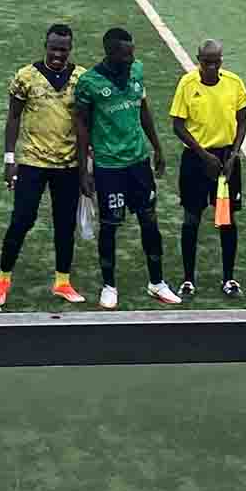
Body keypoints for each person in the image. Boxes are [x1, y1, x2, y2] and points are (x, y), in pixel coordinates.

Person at [75, 25, 174, 307]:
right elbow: (81, 127)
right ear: (110, 53)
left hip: (138, 162)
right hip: (109, 166)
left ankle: (157, 282)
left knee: (149, 221)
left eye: (133, 55)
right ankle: (109, 286)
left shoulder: (137, 71)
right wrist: (84, 171)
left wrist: (156, 146)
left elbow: (144, 109)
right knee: (110, 226)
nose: (131, 60)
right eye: (125, 56)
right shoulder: (90, 83)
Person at [0, 24, 88, 307]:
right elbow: (13, 118)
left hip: (68, 164)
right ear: (45, 46)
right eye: (54, 48)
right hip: (32, 162)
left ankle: (62, 281)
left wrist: (85, 168)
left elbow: (85, 124)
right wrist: (10, 159)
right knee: (21, 220)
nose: (58, 54)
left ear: (70, 49)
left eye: (64, 49)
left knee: (64, 224)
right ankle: (3, 279)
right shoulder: (26, 77)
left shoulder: (82, 78)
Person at [167, 38, 246, 297]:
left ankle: (228, 278)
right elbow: (178, 125)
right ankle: (188, 278)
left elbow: (242, 121)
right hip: (196, 160)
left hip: (226, 161)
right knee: (192, 218)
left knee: (226, 220)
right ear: (198, 60)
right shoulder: (187, 84)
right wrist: (204, 155)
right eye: (207, 62)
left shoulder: (234, 83)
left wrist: (234, 154)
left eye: (216, 62)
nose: (212, 67)